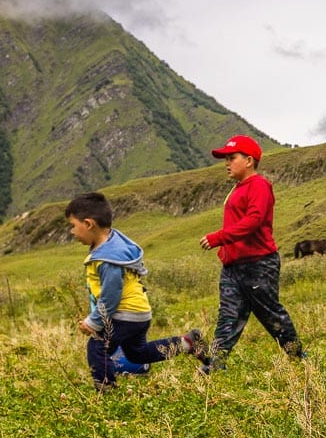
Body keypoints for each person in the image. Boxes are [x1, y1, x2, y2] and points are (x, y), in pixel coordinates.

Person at [65, 192, 206, 390]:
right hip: (138, 313)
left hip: (124, 315)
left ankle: (107, 388)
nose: (72, 232)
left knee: (97, 347)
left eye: (73, 225)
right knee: (137, 353)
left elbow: (111, 297)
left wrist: (93, 322)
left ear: (88, 224)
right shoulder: (111, 244)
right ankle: (187, 343)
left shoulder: (107, 259)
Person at [198, 134, 305, 372]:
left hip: (258, 264)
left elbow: (254, 221)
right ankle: (215, 364)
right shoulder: (237, 188)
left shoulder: (259, 185)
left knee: (270, 313)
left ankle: (298, 358)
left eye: (232, 158)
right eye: (225, 159)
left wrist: (219, 238)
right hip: (233, 266)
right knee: (228, 315)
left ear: (248, 160)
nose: (227, 163)